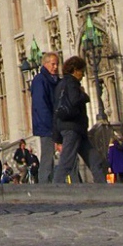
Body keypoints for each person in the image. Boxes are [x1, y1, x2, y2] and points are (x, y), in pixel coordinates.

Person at [51, 55, 93, 184]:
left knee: (96, 161)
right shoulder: (72, 83)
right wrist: (85, 96)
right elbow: (75, 100)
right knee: (66, 162)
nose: (83, 75)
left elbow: (56, 111)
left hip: (75, 128)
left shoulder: (60, 84)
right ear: (75, 70)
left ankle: (104, 189)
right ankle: (53, 190)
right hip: (73, 127)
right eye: (82, 71)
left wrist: (57, 137)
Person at [30, 51, 60, 184]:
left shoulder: (54, 80)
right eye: (53, 64)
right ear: (45, 64)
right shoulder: (40, 80)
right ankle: (44, 185)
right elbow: (41, 106)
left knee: (59, 156)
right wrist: (51, 126)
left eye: (57, 64)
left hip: (55, 124)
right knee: (47, 157)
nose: (56, 67)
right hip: (47, 126)